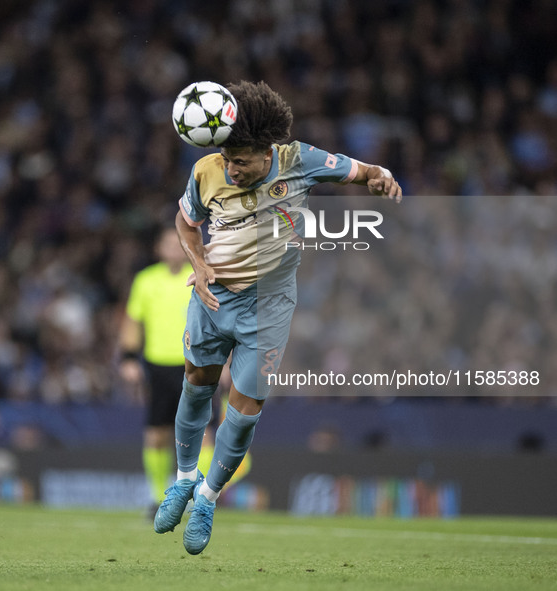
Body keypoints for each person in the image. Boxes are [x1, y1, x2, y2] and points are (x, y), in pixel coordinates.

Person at [154, 80, 402, 554]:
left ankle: (207, 499)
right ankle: (184, 479)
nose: (233, 169)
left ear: (267, 152)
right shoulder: (206, 170)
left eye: (241, 162)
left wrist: (380, 175)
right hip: (213, 298)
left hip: (267, 309)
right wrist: (199, 263)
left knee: (244, 411)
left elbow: (363, 170)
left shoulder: (298, 161)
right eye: (228, 160)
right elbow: (186, 222)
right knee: (196, 385)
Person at [118, 226, 196, 516]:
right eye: (168, 243)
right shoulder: (146, 281)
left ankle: (196, 495)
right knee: (157, 434)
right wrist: (128, 357)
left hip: (195, 365)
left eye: (178, 243)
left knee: (199, 432)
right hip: (157, 366)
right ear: (158, 249)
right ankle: (157, 497)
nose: (174, 248)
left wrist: (224, 360)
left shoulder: (199, 275)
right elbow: (133, 322)